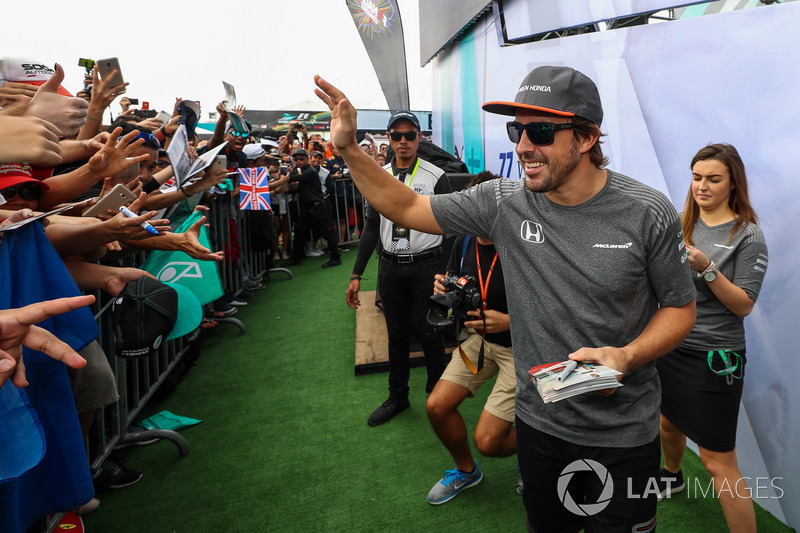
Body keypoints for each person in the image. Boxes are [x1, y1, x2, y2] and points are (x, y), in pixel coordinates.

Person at [316, 65, 696, 531]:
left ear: (588, 137)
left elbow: (681, 307)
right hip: (539, 425)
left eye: (539, 131)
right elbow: (406, 206)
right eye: (516, 129)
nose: (522, 147)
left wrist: (627, 355)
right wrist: (349, 149)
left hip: (621, 434)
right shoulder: (502, 201)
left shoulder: (646, 211)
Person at [657, 143, 767, 532]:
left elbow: (744, 306)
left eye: (713, 179)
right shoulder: (680, 222)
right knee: (667, 423)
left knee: (717, 460)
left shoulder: (747, 235)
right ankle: (671, 476)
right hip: (672, 344)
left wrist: (707, 269)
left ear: (732, 184)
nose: (702, 186)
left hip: (714, 357)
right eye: (696, 177)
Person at [346, 111, 448, 427]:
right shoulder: (379, 175)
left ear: (420, 137)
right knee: (397, 335)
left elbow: (452, 226)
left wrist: (443, 271)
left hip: (426, 266)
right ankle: (398, 397)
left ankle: (438, 397)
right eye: (396, 135)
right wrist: (356, 274)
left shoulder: (435, 176)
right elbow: (371, 228)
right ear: (388, 138)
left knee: (431, 334)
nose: (403, 141)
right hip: (391, 267)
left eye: (410, 135)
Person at [425, 171, 517, 505]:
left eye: (481, 206)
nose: (473, 213)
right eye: (469, 205)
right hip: (478, 340)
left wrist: (509, 320)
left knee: (489, 441)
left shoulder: (522, 245)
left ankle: (542, 451)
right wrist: (443, 288)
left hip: (522, 347)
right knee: (437, 406)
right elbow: (455, 282)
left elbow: (556, 305)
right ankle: (466, 472)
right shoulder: (463, 241)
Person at [279, 148, 341, 268]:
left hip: (317, 207)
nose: (298, 161)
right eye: (296, 159)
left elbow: (294, 178)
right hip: (308, 207)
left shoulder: (310, 171)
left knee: (328, 233)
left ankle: (335, 258)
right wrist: (289, 190)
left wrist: (283, 176)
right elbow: (301, 187)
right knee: (298, 232)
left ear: (307, 159)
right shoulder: (305, 171)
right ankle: (297, 258)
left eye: (301, 159)